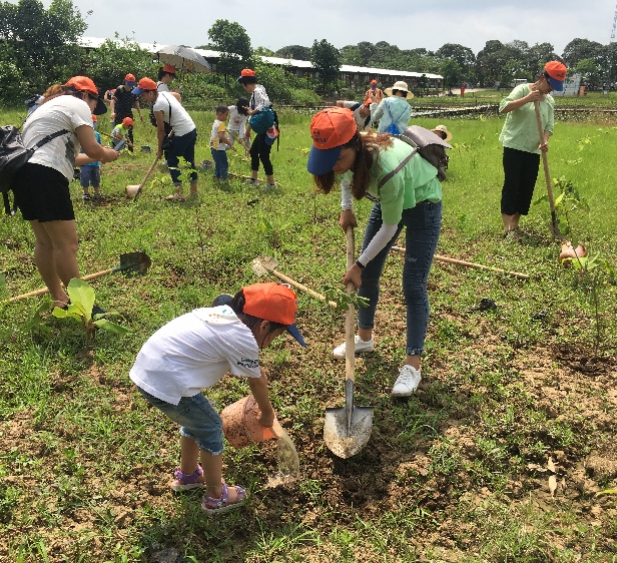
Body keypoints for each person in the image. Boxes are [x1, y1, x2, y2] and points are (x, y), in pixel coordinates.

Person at [129, 282, 306, 514]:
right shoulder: (244, 338)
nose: (271, 343)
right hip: (166, 381)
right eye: (276, 335)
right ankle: (216, 496)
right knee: (212, 427)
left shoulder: (221, 314)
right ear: (264, 326)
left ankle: (189, 475)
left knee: (195, 422)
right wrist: (267, 413)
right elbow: (257, 381)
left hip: (151, 370)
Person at [307, 107, 447, 398]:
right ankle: (365, 338)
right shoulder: (347, 158)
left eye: (338, 159)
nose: (334, 166)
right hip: (389, 200)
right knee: (369, 274)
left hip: (423, 204)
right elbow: (345, 176)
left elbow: (390, 226)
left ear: (355, 146)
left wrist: (357, 263)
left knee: (413, 284)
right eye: (327, 160)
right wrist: (346, 209)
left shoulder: (385, 169)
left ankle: (413, 364)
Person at [11, 76, 119, 309]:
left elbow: (71, 157)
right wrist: (105, 154)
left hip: (22, 175)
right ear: (85, 94)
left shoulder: (45, 108)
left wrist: (98, 155)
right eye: (94, 103)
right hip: (46, 175)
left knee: (45, 243)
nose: (93, 110)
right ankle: (84, 306)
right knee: (66, 245)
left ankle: (59, 297)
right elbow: (92, 148)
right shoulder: (77, 104)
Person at [498, 61, 566, 241]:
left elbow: (549, 126)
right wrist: (527, 99)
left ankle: (515, 225)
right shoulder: (522, 89)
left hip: (534, 150)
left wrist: (545, 141)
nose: (552, 90)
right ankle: (507, 230)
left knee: (526, 188)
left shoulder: (550, 101)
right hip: (514, 146)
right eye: (551, 85)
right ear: (543, 77)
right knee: (512, 186)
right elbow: (503, 107)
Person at [133, 77, 199, 201]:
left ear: (151, 93)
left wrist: (160, 150)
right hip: (191, 128)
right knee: (189, 161)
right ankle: (194, 191)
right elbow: (177, 96)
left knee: (172, 161)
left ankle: (179, 194)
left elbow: (161, 130)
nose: (142, 98)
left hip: (182, 132)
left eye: (143, 95)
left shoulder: (157, 106)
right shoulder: (164, 94)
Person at [238, 69, 277, 189]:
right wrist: (248, 129)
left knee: (264, 155)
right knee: (254, 152)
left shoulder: (258, 91)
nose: (245, 89)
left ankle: (271, 184)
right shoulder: (258, 91)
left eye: (244, 86)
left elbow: (265, 104)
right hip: (262, 129)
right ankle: (254, 179)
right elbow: (256, 116)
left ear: (246, 84)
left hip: (268, 130)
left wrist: (251, 112)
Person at [110, 74, 143, 153]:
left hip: (128, 113)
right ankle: (116, 150)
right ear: (125, 82)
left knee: (129, 132)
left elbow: (136, 102)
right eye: (129, 84)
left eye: (131, 84)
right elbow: (113, 101)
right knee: (118, 131)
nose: (130, 86)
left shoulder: (134, 90)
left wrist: (140, 113)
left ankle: (130, 150)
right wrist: (112, 112)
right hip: (119, 112)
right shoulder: (120, 89)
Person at [79, 114, 103, 202]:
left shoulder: (97, 135)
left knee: (96, 178)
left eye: (94, 122)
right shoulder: (82, 135)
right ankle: (85, 193)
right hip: (85, 162)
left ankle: (97, 192)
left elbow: (100, 147)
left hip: (95, 163)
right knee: (85, 177)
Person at [210, 105, 237, 181]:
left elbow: (218, 136)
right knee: (224, 164)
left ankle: (216, 178)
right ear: (220, 114)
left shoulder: (216, 122)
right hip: (219, 149)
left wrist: (224, 140)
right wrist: (230, 144)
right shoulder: (221, 124)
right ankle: (223, 180)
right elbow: (221, 136)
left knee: (218, 164)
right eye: (226, 114)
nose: (227, 117)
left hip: (214, 147)